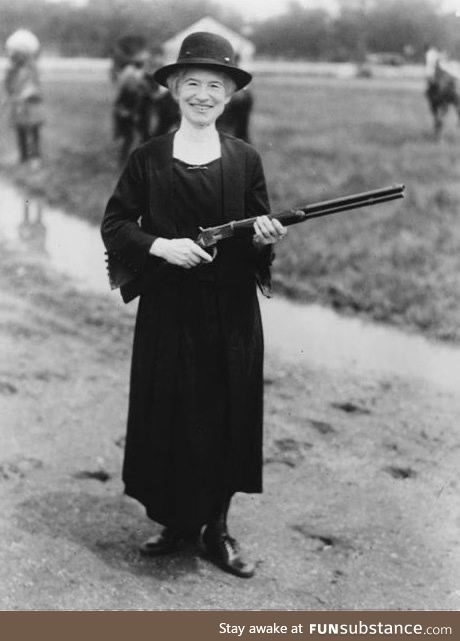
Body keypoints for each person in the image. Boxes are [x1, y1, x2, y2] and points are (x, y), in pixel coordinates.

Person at [101, 31, 287, 579]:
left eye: (215, 86)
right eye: (192, 84)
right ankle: (177, 522)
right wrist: (160, 245)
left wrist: (265, 236)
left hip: (229, 316)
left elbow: (258, 229)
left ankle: (216, 529)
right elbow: (115, 225)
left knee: (224, 414)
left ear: (230, 97)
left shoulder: (245, 159)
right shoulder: (149, 158)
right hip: (166, 311)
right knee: (170, 414)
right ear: (174, 91)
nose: (203, 95)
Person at [3, 29, 44, 169]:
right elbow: (8, 87)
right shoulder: (11, 70)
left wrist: (27, 93)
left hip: (31, 105)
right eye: (16, 54)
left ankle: (36, 157)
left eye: (21, 54)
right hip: (19, 106)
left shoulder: (33, 68)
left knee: (33, 130)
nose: (18, 57)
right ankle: (23, 156)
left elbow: (36, 85)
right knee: (20, 130)